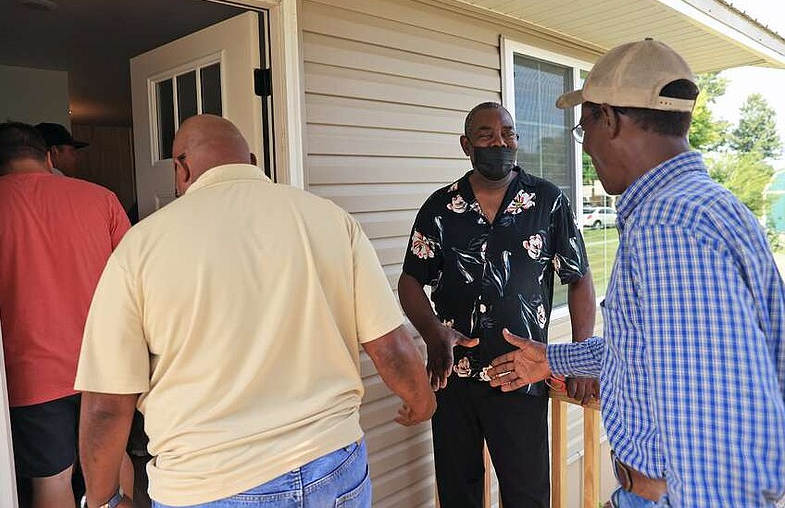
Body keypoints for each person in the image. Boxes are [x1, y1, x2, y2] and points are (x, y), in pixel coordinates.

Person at [74, 114, 436, 508]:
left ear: (181, 168)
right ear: (251, 159)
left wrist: (103, 500)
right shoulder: (329, 219)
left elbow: (107, 406)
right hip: (332, 467)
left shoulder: (138, 248)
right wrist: (421, 400)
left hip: (208, 484)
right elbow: (390, 345)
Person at [486, 39, 785, 507]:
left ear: (609, 118)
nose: (585, 151)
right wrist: (552, 359)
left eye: (584, 128)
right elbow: (654, 354)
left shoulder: (669, 225)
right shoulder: (709, 208)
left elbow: (719, 434)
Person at [398, 102, 598, 508]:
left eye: (508, 133)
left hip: (520, 376)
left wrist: (578, 355)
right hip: (452, 378)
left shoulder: (547, 201)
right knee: (458, 494)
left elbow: (578, 279)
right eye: (487, 135)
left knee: (527, 496)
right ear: (466, 145)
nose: (500, 142)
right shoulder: (439, 209)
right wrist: (432, 329)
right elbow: (410, 281)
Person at [0, 122, 132, 507]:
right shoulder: (101, 198)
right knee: (114, 466)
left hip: (32, 374)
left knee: (53, 480)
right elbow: (136, 279)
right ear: (49, 157)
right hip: (107, 364)